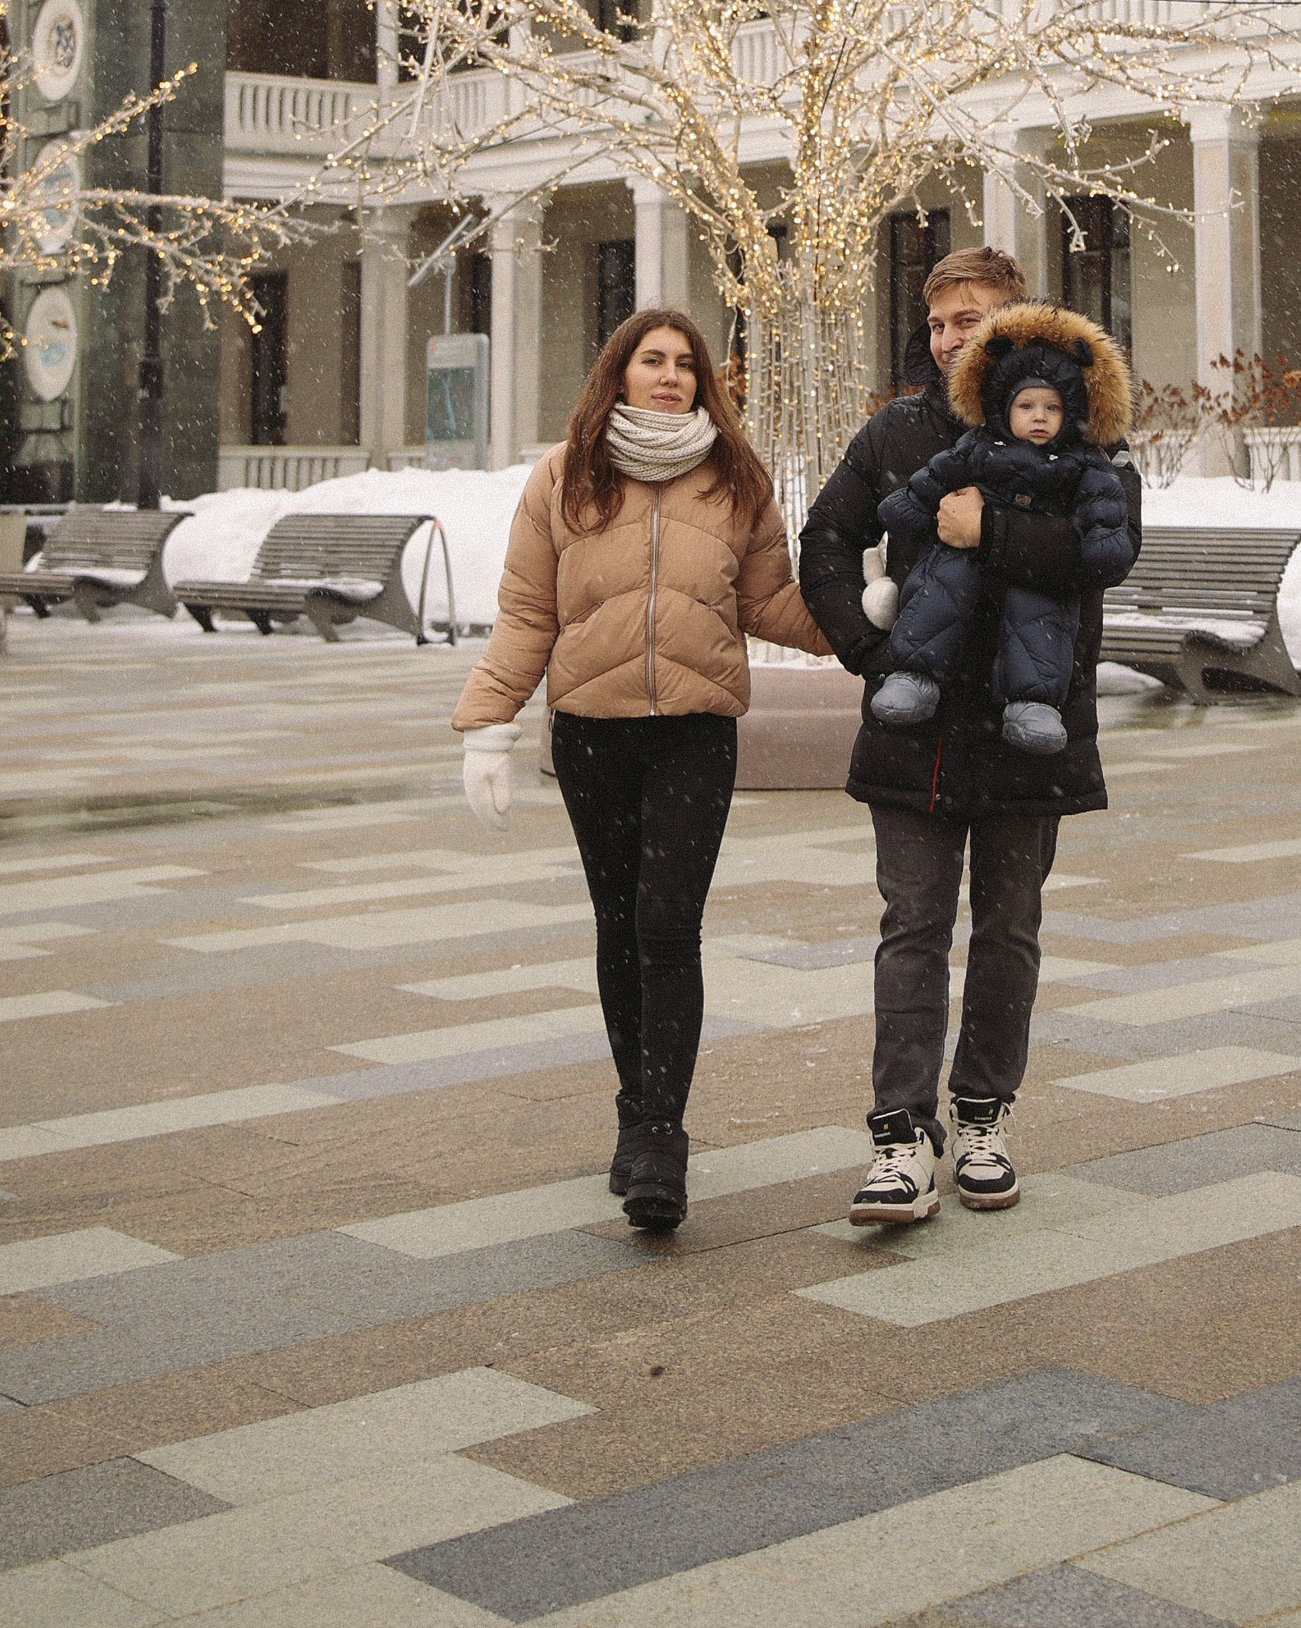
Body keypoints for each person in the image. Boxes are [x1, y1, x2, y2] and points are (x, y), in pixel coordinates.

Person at [452, 303, 829, 1235]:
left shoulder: (733, 479)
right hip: (591, 733)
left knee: (668, 927)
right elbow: (526, 611)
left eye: (686, 365)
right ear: (617, 373)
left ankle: (661, 1134)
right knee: (618, 925)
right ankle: (635, 1111)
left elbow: (771, 602)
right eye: (651, 361)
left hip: (694, 733)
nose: (670, 376)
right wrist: (486, 724)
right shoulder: (565, 477)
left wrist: (865, 617)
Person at [798, 250, 1142, 1227]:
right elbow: (824, 539)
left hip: (1032, 723)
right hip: (917, 723)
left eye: (972, 317)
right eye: (940, 318)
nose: (951, 335)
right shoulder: (899, 429)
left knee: (1007, 930)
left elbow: (1099, 559)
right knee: (910, 926)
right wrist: (868, 652)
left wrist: (980, 528)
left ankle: (983, 1113)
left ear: (1017, 326)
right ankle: (899, 1136)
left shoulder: (1083, 433)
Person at [870, 306, 1137, 756]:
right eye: (1026, 406)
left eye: (1051, 407)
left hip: (1037, 573)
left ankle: (1033, 703)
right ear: (1004, 407)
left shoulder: (1084, 460)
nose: (1039, 417)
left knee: (1040, 619)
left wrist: (1103, 542)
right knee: (940, 589)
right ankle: (914, 674)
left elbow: (1106, 511)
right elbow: (938, 476)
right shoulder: (978, 445)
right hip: (960, 557)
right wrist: (910, 506)